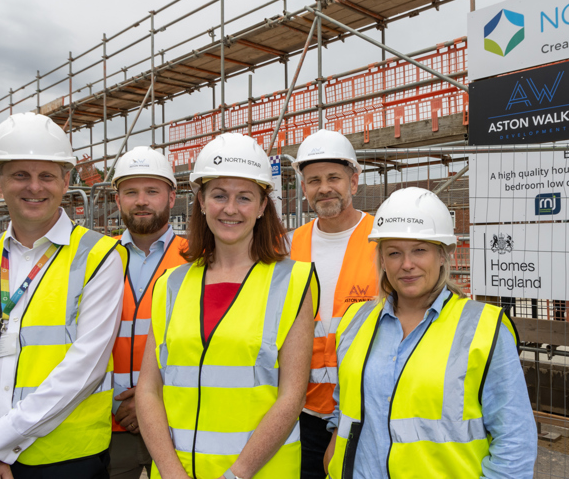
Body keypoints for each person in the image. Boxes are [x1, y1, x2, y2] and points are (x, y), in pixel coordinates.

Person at [0, 112, 128, 479]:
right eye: (20, 175)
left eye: (47, 175)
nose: (35, 187)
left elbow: (84, 370)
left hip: (64, 463)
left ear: (65, 182)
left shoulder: (100, 257)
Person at [137, 133, 317, 479]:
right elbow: (149, 389)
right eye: (219, 195)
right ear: (201, 201)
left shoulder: (294, 282)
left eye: (244, 197)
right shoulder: (171, 285)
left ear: (263, 206)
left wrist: (237, 474)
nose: (230, 209)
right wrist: (171, 471)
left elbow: (292, 397)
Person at [325, 187, 538, 479]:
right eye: (394, 253)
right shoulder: (355, 321)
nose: (407, 264)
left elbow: (514, 440)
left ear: (443, 254)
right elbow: (346, 403)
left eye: (419, 250)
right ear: (382, 260)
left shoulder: (484, 330)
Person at [288, 129, 378, 479]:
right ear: (304, 188)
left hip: (364, 409)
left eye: (333, 178)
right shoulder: (289, 246)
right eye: (313, 180)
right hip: (302, 409)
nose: (323, 187)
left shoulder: (381, 241)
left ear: (353, 182)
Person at [109, 146, 189, 478]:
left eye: (152, 191)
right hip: (109, 425)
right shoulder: (97, 259)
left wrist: (148, 405)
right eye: (131, 192)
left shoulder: (198, 257)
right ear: (117, 200)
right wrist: (119, 404)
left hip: (175, 423)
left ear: (171, 198)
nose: (141, 200)